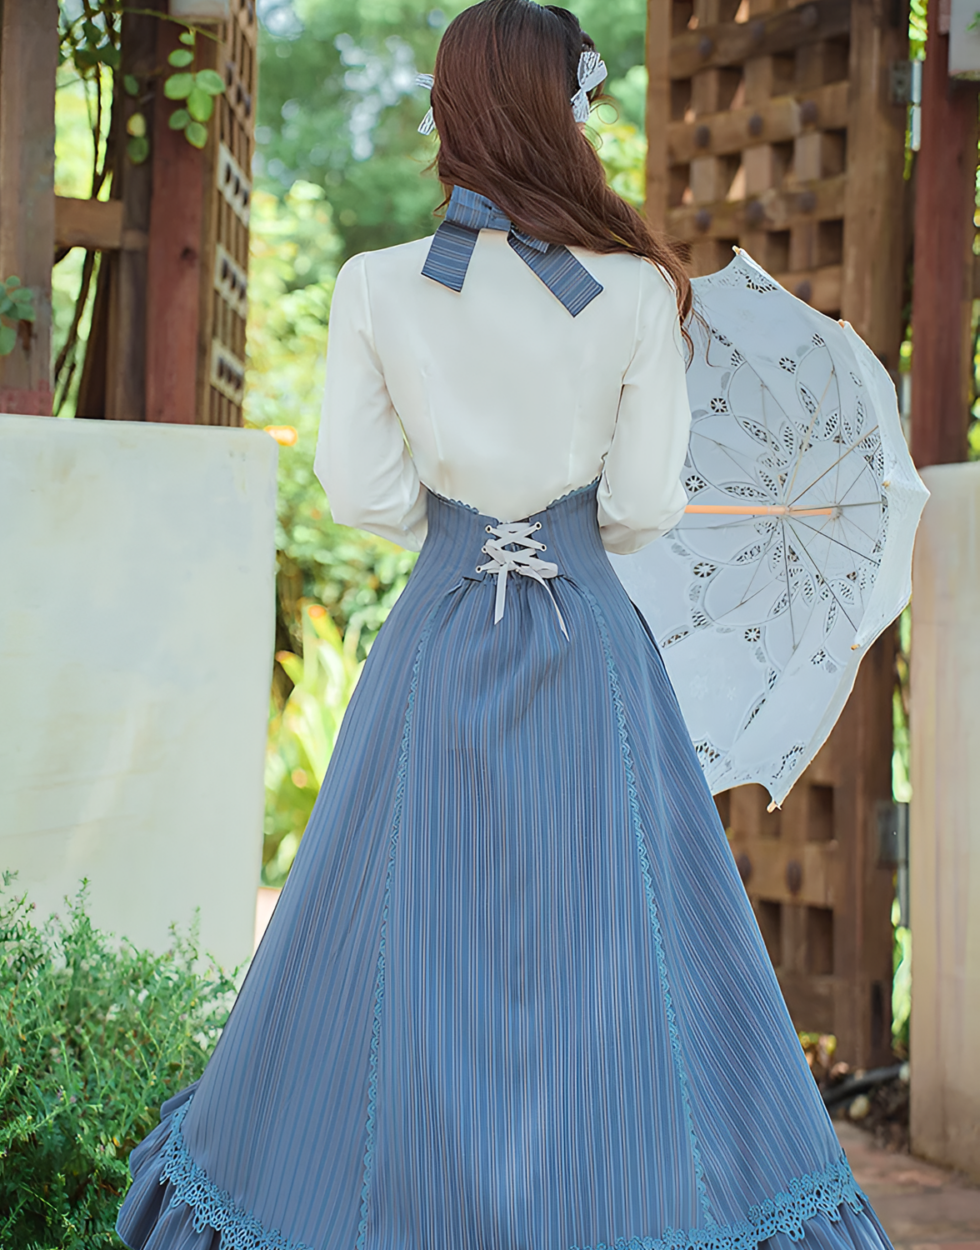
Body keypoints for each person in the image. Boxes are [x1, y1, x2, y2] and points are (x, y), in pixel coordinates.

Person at [115, 3, 895, 1249]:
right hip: (589, 642)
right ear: (560, 110)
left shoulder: (377, 287)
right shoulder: (639, 291)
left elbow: (363, 494)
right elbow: (642, 507)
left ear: (453, 111)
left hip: (440, 631)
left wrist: (466, 511)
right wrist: (577, 513)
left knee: (400, 931)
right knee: (616, 936)